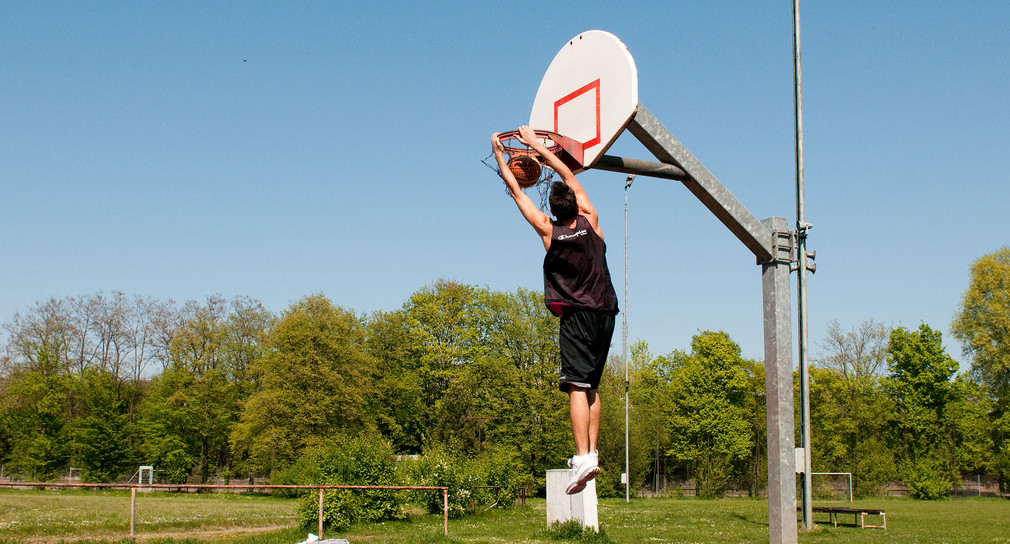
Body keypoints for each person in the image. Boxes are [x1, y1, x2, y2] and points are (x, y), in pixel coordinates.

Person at [492, 126, 619, 494]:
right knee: (592, 386)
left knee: (576, 387)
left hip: (578, 316)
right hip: (607, 313)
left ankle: (581, 458)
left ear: (552, 209)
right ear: (576, 206)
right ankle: (591, 455)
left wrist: (501, 153)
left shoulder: (549, 231)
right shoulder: (591, 220)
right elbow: (566, 176)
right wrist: (538, 147)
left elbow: (516, 191)